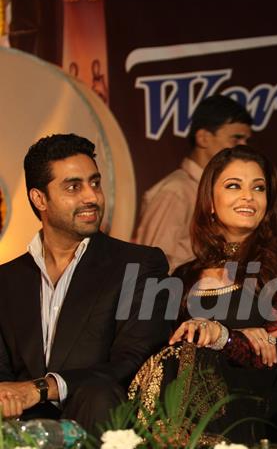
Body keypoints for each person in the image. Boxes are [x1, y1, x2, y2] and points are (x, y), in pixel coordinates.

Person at [129, 145, 277, 445]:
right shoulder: (185, 276)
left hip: (266, 389)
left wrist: (223, 336)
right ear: (210, 202)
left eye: (258, 188)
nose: (248, 197)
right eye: (233, 186)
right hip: (199, 398)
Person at [0, 134, 170, 433]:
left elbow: (137, 360)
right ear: (40, 199)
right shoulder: (6, 280)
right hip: (21, 429)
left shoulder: (141, 264)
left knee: (98, 395)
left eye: (95, 183)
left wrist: (43, 388)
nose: (92, 197)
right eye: (73, 187)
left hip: (98, 418)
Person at [135, 95, 253, 272]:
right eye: (236, 139)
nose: (243, 147)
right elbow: (151, 268)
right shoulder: (175, 192)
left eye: (246, 141)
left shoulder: (220, 191)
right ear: (203, 138)